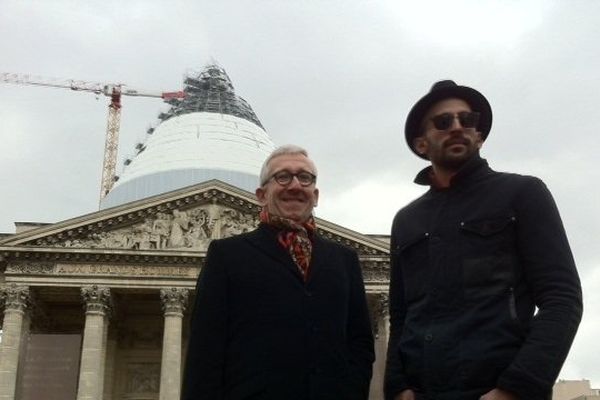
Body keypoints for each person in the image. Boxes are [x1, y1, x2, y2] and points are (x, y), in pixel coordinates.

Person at [384, 81, 583, 400]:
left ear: (479, 134)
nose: (458, 127)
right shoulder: (406, 220)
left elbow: (562, 298)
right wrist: (397, 388)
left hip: (498, 389)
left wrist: (516, 388)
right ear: (422, 143)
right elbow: (401, 315)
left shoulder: (522, 194)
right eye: (444, 121)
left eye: (468, 119)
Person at [182, 145, 375, 400]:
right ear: (261, 194)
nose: (295, 185)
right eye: (283, 177)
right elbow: (204, 352)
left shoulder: (344, 259)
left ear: (315, 195)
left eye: (304, 177)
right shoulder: (227, 255)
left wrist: (352, 390)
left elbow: (360, 341)